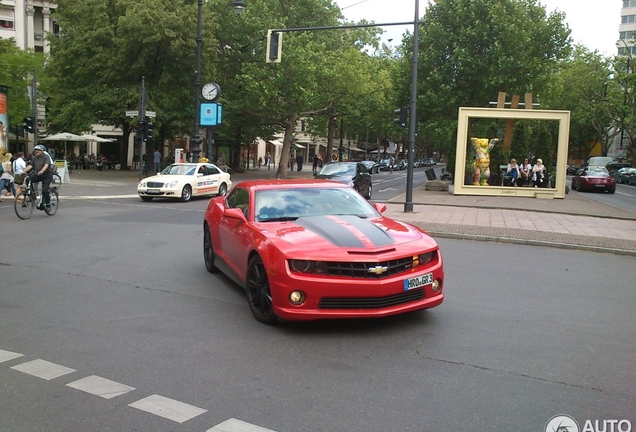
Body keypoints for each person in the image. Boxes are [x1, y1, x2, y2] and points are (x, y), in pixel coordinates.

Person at [22, 145, 53, 210]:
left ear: (42, 151)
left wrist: (42, 170)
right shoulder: (35, 158)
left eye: (38, 150)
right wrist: (23, 171)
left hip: (47, 175)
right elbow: (30, 165)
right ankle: (33, 196)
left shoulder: (46, 157)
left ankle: (48, 204)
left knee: (44, 191)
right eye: (36, 150)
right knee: (28, 179)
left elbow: (46, 165)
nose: (37, 151)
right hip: (39, 175)